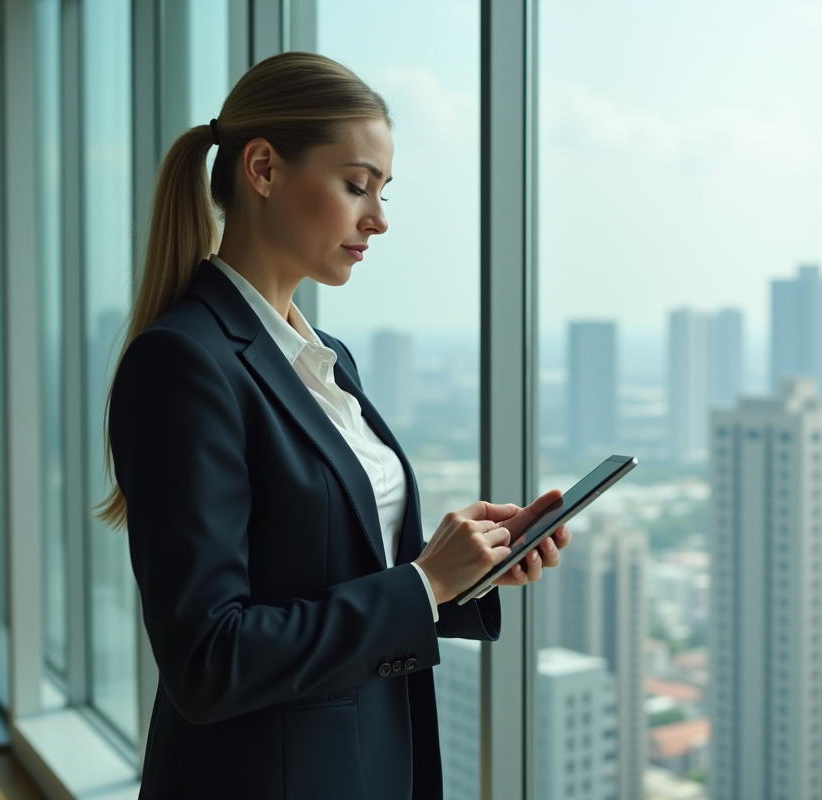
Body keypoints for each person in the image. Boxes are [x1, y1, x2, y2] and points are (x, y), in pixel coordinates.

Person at [98, 51, 570, 799]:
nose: (378, 219)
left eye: (382, 191)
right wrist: (422, 584)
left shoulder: (324, 357)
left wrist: (462, 574)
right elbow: (208, 658)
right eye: (356, 186)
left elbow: (328, 569)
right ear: (263, 169)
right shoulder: (183, 363)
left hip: (366, 763)